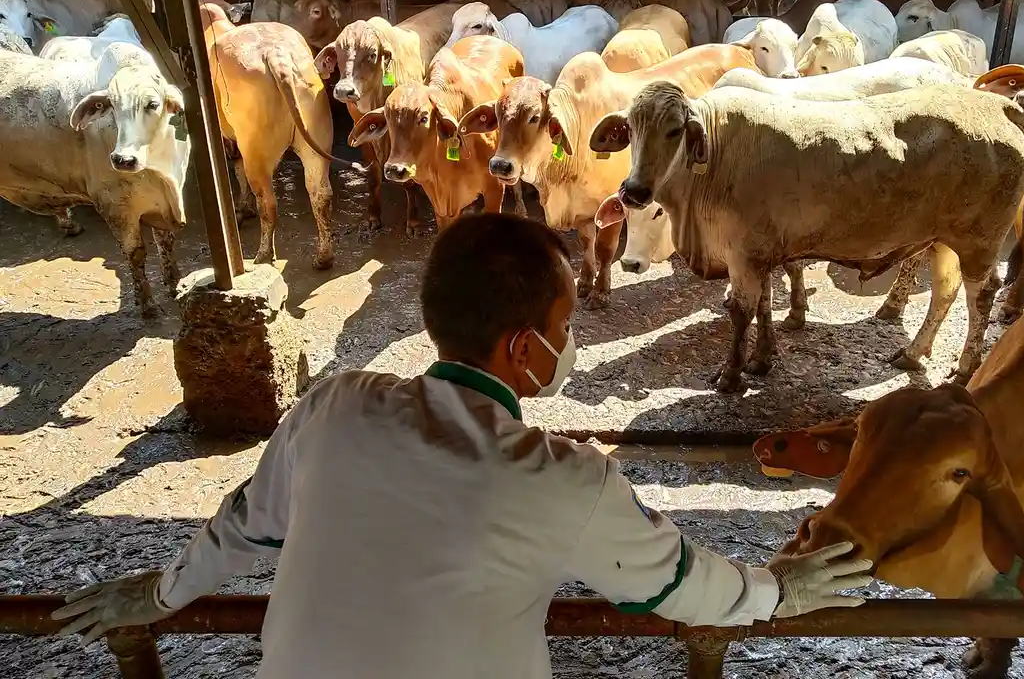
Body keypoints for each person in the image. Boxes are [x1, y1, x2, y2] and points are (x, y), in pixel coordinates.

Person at [52, 214, 872, 678]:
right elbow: (688, 589)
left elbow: (242, 531)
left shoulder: (331, 407)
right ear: (523, 349)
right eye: (563, 328)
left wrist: (159, 595)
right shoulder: (562, 480)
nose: (569, 343)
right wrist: (779, 589)